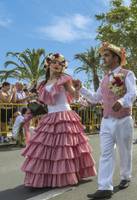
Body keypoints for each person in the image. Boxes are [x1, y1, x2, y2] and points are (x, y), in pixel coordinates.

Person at [21, 53, 96, 188]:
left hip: (64, 116)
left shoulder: (65, 79)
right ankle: (47, 178)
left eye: (61, 63)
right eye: (54, 62)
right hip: (50, 116)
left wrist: (77, 88)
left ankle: (65, 176)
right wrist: (29, 113)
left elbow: (74, 95)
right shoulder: (42, 84)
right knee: (45, 149)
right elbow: (41, 102)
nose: (57, 65)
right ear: (48, 64)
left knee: (64, 149)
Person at [77, 42, 137, 199]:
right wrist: (81, 88)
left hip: (123, 119)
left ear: (116, 58)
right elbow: (96, 98)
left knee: (125, 151)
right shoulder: (104, 79)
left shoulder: (127, 73)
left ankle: (125, 176)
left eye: (106, 55)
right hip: (106, 120)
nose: (103, 58)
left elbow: (133, 92)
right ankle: (105, 187)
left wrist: (122, 102)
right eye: (102, 55)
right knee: (105, 153)